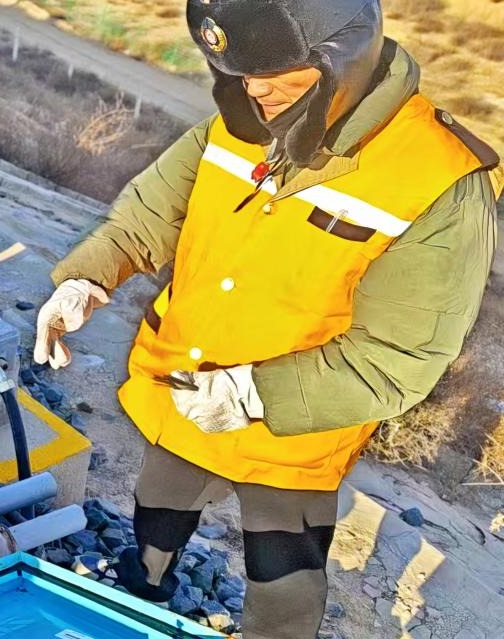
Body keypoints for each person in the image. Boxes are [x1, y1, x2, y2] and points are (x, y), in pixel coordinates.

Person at [34, 0, 502, 636]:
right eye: (244, 71)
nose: (254, 90)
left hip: (294, 429)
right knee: (157, 510)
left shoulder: (439, 178)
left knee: (283, 574)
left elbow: (399, 358)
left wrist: (254, 394)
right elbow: (151, 213)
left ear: (344, 58)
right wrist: (87, 278)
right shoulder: (244, 114)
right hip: (184, 386)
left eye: (274, 72)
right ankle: (140, 595)